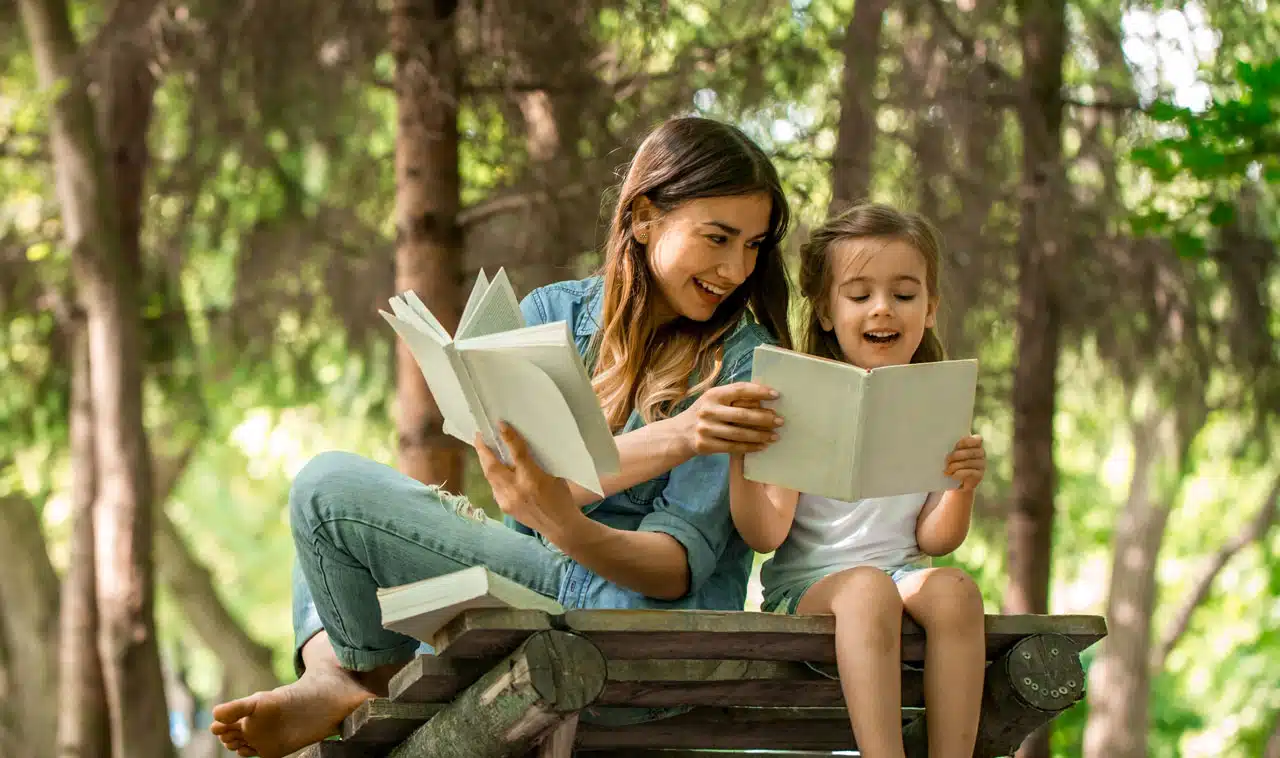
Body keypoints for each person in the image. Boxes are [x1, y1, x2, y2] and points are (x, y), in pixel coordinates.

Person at [209, 115, 796, 758]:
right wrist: (673, 439)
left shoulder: (744, 362)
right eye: (718, 238)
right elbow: (528, 494)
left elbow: (676, 569)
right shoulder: (555, 314)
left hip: (638, 628)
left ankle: (344, 677)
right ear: (644, 217)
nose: (736, 268)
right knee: (330, 529)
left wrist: (566, 520)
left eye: (753, 245)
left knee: (328, 492)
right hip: (534, 590)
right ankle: (334, 677)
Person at [727, 202, 988, 758]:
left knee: (956, 588)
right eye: (860, 294)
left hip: (901, 576)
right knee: (867, 587)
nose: (882, 310)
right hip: (810, 589)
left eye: (904, 294)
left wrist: (961, 487)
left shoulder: (936, 405)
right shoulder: (799, 399)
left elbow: (934, 540)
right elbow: (765, 534)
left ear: (931, 308)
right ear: (825, 310)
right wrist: (741, 462)